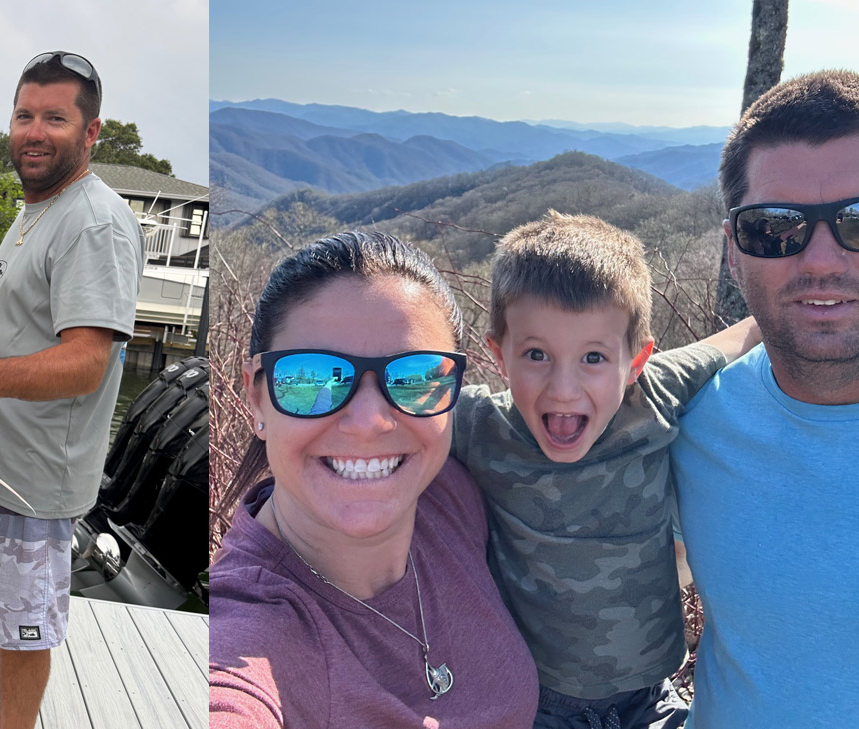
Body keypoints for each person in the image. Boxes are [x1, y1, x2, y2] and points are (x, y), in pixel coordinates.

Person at [209, 231, 539, 728]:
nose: (368, 421)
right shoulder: (246, 638)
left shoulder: (447, 497)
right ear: (257, 397)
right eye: (313, 378)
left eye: (415, 378)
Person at [449, 212, 760, 729]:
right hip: (538, 703)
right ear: (499, 357)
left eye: (593, 356)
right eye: (535, 354)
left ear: (634, 362)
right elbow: (392, 411)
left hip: (653, 696)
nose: (563, 388)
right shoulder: (482, 426)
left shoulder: (652, 393)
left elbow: (742, 337)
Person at [0, 51, 143, 729]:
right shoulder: (38, 208)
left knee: (22, 627)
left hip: (34, 485)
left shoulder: (93, 221)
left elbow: (85, 363)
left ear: (91, 132)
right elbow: (22, 330)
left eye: (54, 118)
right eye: (24, 115)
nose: (34, 130)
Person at [670, 69, 859, 726]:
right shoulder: (679, 425)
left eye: (858, 220)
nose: (824, 259)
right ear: (733, 250)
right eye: (776, 227)